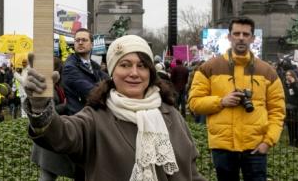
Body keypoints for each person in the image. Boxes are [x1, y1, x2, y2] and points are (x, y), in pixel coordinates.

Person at [24, 34, 207, 180]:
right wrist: (40, 106)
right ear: (112, 73)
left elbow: (191, 173)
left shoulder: (171, 115)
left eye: (142, 66)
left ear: (150, 73)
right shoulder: (95, 117)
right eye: (125, 65)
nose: (134, 73)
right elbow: (61, 135)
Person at [188, 17, 285, 181]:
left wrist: (268, 142)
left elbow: (277, 111)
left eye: (246, 34)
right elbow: (194, 103)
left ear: (253, 38)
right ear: (229, 36)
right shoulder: (208, 68)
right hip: (223, 147)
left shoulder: (267, 71)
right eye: (237, 33)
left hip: (255, 147)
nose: (241, 37)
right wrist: (221, 102)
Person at [62, 28, 108, 115]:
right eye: (77, 40)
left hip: (95, 116)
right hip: (79, 119)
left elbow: (110, 82)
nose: (80, 43)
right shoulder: (69, 67)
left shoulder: (95, 65)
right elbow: (93, 92)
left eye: (84, 40)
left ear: (91, 44)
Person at [283, 70, 298, 147]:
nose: (288, 76)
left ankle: (296, 142)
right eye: (286, 75)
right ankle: (291, 142)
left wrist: (293, 83)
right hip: (287, 107)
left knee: (296, 126)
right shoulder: (284, 84)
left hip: (296, 108)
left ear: (293, 76)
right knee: (290, 126)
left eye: (290, 75)